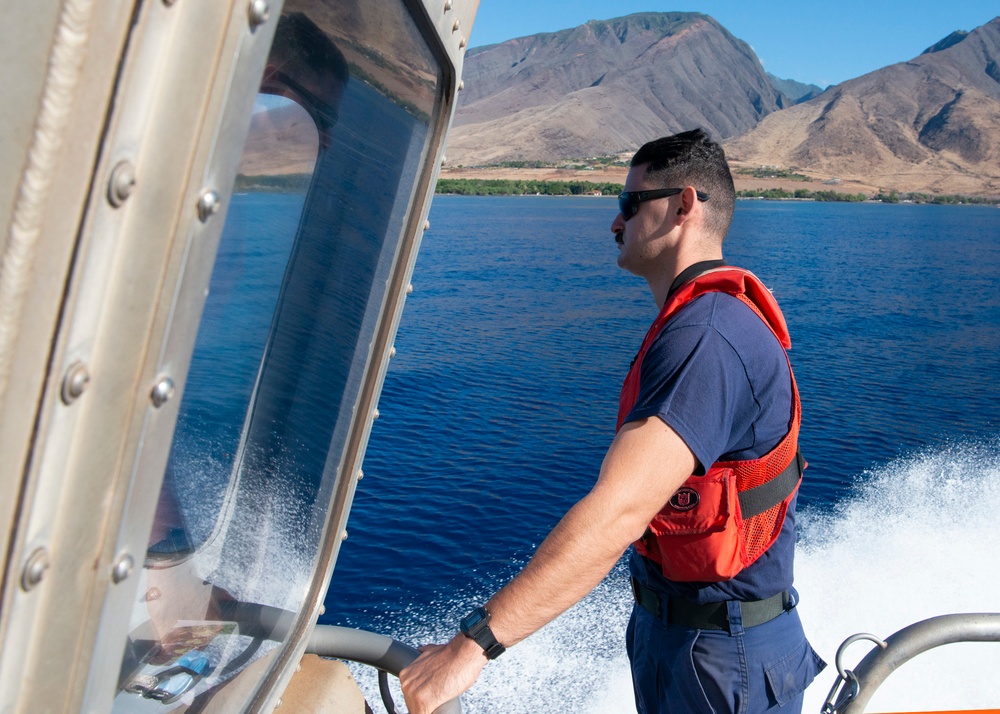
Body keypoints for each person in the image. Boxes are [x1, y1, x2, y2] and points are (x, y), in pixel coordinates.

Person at [399, 129, 825, 713]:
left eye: (629, 203)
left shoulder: (707, 338)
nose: (614, 223)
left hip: (724, 660)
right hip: (684, 640)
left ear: (683, 206)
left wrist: (470, 648)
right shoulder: (701, 321)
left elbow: (618, 512)